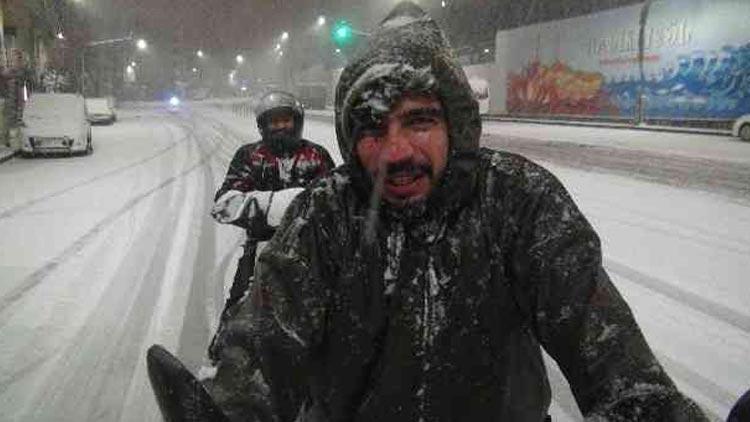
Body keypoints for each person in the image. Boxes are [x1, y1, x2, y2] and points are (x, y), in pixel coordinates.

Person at [205, 3, 709, 421]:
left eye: (418, 120)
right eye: (372, 129)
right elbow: (263, 347)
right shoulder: (325, 214)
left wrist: (648, 409)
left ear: (456, 123)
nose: (395, 151)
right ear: (349, 138)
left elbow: (611, 355)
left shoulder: (518, 201)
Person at [208, 90, 335, 362]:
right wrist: (273, 207)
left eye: (285, 120)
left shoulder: (317, 155)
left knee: (338, 312)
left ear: (297, 121)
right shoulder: (251, 156)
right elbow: (225, 202)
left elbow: (336, 200)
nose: (280, 127)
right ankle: (221, 365)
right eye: (273, 122)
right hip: (262, 251)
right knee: (238, 308)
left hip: (314, 250)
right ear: (263, 126)